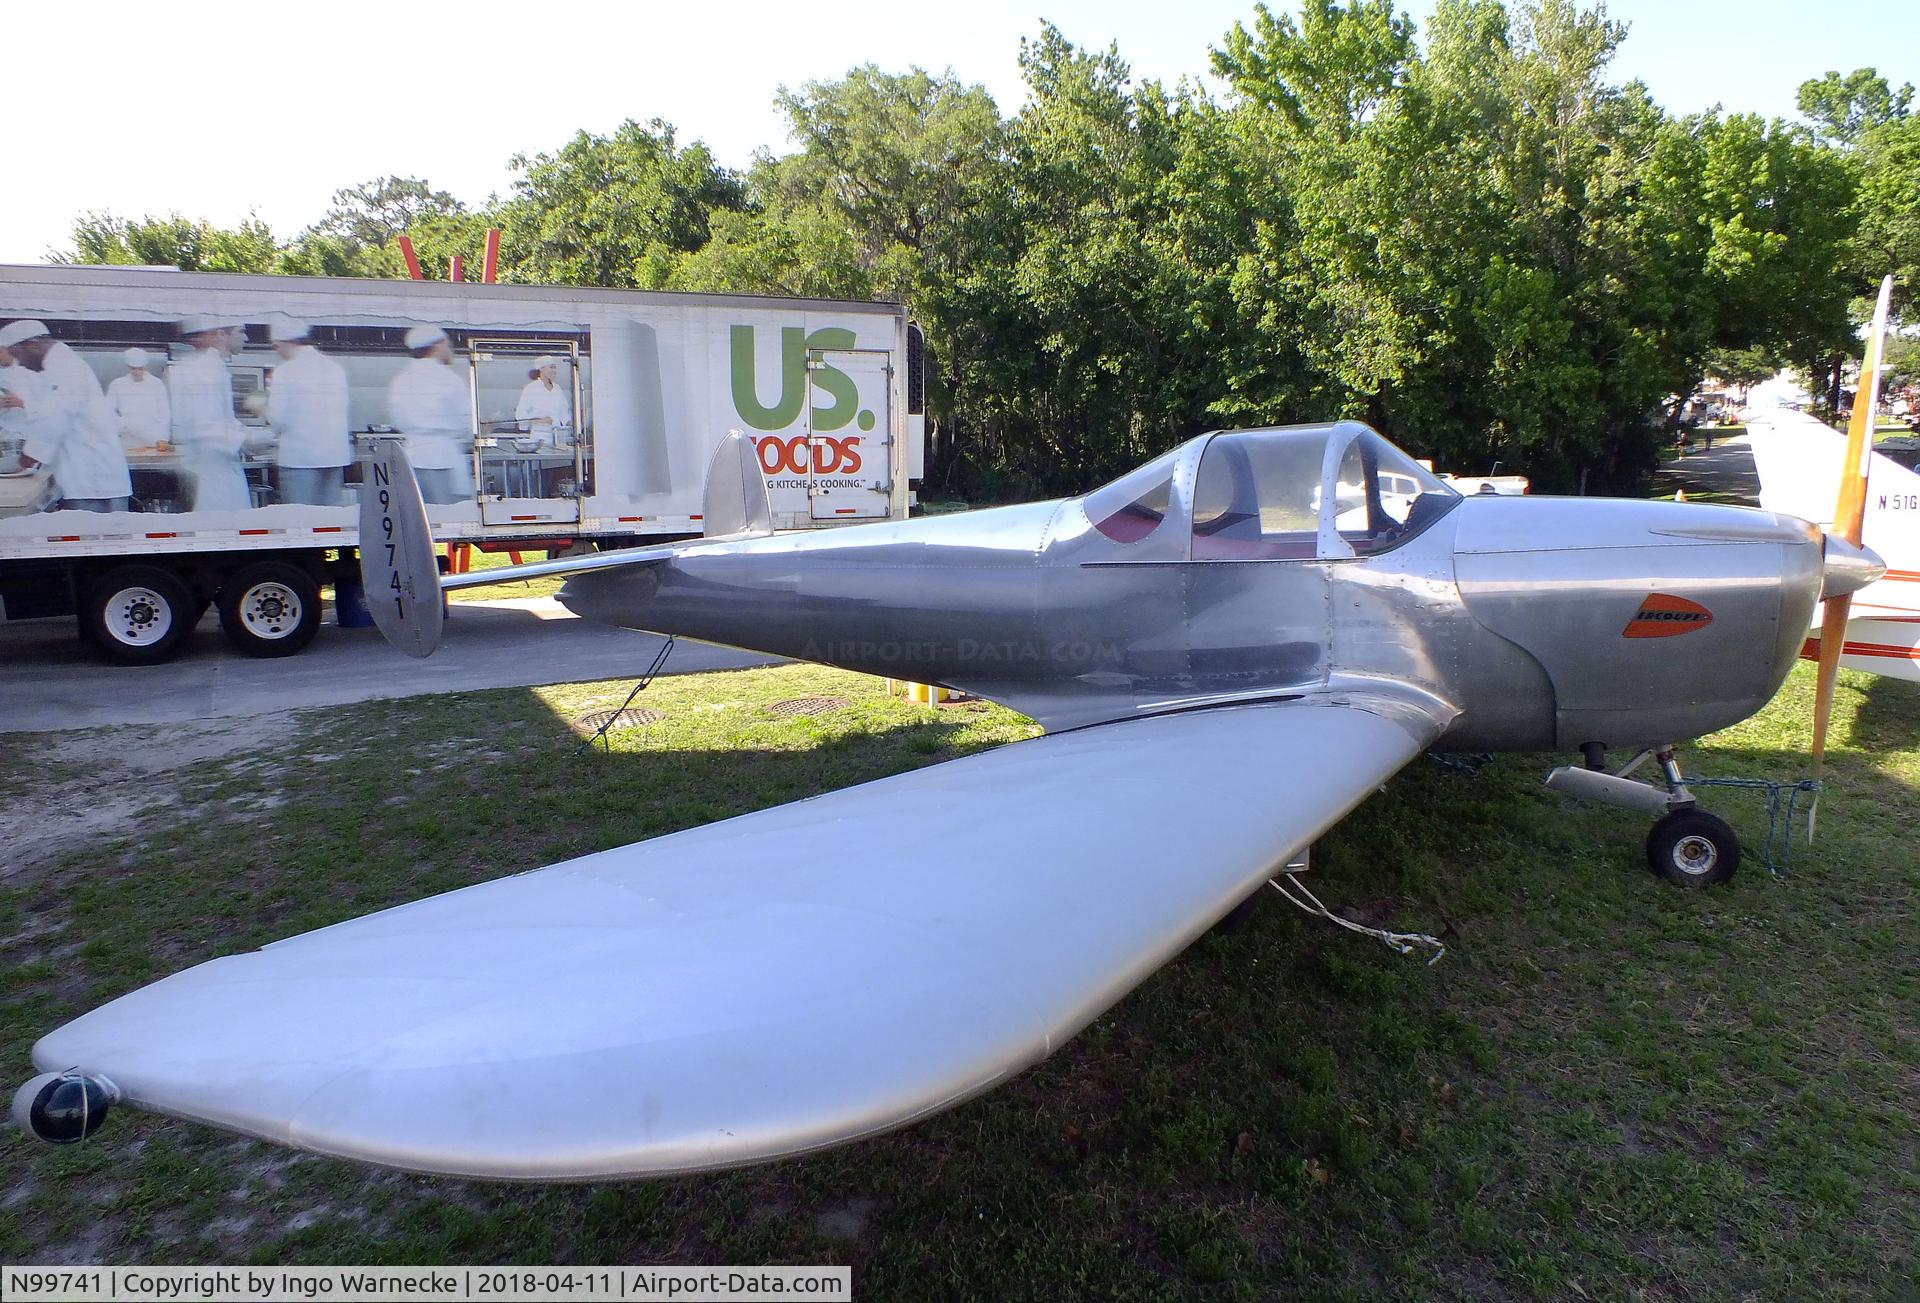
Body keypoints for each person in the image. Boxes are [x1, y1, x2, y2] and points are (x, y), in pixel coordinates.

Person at [0, 319, 133, 512]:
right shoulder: (57, 365)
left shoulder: (64, 367)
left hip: (93, 481)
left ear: (32, 345)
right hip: (90, 477)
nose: (19, 363)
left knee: (95, 539)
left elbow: (55, 417)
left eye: (17, 356)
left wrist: (26, 459)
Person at [168, 315, 252, 510]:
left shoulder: (214, 367)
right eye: (241, 331)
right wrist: (248, 439)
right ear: (221, 334)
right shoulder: (205, 371)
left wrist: (241, 430)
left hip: (220, 468)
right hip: (214, 470)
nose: (246, 338)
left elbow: (220, 418)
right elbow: (205, 427)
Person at [386, 324, 474, 504]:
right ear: (438, 346)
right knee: (447, 519)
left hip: (410, 458)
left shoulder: (401, 378)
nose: (450, 350)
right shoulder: (449, 378)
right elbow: (466, 423)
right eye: (448, 345)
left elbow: (397, 418)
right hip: (442, 459)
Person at [266, 321, 351, 505]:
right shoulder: (334, 368)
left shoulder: (285, 371)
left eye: (276, 346)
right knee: (330, 521)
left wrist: (259, 408)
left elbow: (278, 418)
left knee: (302, 522)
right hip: (334, 457)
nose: (277, 352)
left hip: (300, 459)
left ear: (286, 342)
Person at [106, 347, 171, 448]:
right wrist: (122, 425)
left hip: (152, 438)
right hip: (128, 438)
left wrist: (162, 438)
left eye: (140, 369)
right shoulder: (117, 384)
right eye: (133, 368)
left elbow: (165, 413)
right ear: (128, 367)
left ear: (145, 367)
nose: (137, 372)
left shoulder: (156, 384)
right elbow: (107, 410)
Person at [515, 356, 570, 445]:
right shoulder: (531, 388)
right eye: (551, 367)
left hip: (557, 437)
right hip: (538, 437)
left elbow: (564, 413)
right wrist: (539, 421)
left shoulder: (557, 388)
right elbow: (520, 414)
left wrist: (571, 423)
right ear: (541, 369)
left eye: (555, 368)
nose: (554, 371)